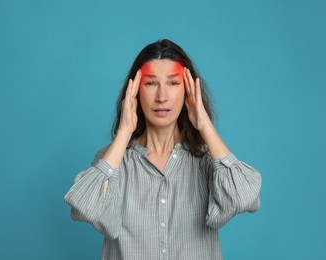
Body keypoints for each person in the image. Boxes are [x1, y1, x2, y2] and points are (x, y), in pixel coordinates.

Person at [64, 39, 262, 260]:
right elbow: (85, 206)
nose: (161, 97)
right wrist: (125, 131)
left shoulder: (207, 159)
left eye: (173, 83)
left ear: (188, 90)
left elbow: (244, 197)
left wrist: (204, 125)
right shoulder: (114, 161)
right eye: (150, 83)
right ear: (135, 90)